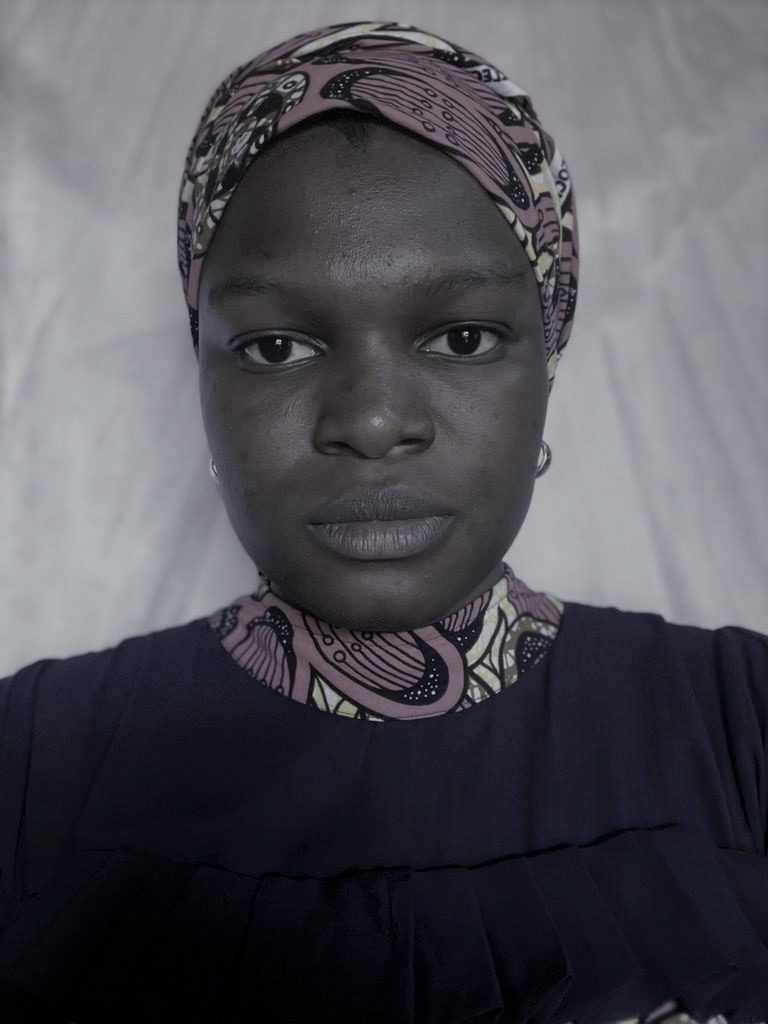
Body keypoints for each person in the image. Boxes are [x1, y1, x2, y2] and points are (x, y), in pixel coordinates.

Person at [0, 19, 766, 1024]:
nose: (369, 422)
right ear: (204, 374)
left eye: (462, 337)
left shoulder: (744, 730)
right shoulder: (29, 768)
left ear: (546, 360)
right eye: (276, 347)